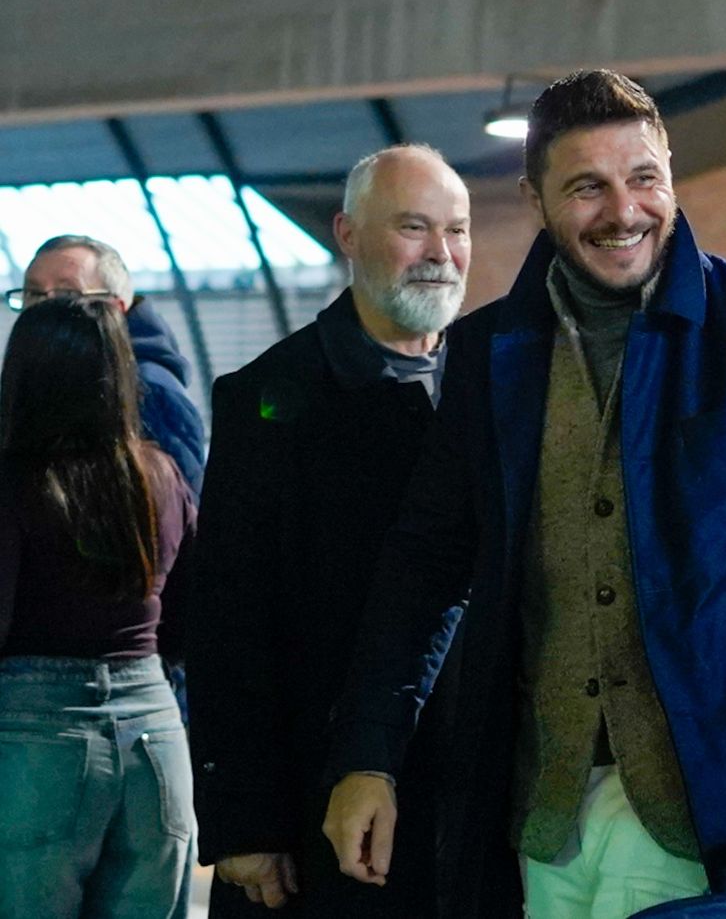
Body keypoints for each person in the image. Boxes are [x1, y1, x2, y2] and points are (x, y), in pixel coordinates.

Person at [322, 70, 726, 918]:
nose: (624, 209)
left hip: (711, 806)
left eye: (643, 178)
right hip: (534, 813)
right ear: (535, 198)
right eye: (586, 187)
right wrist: (368, 758)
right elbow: (422, 569)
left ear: (670, 168)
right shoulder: (486, 352)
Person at [186, 144, 472, 916]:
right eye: (414, 228)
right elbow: (228, 619)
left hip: (474, 809)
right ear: (347, 235)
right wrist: (245, 820)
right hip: (319, 810)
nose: (441, 254)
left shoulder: (494, 387)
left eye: (457, 230)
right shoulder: (271, 399)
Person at [0, 297, 197, 919]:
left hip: (35, 736)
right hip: (156, 735)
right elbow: (194, 615)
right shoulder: (161, 477)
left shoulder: (13, 483)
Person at [12, 235, 206, 494]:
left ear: (115, 307)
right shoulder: (36, 381)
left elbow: (182, 513)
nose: (43, 308)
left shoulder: (150, 390)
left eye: (68, 293)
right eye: (33, 293)